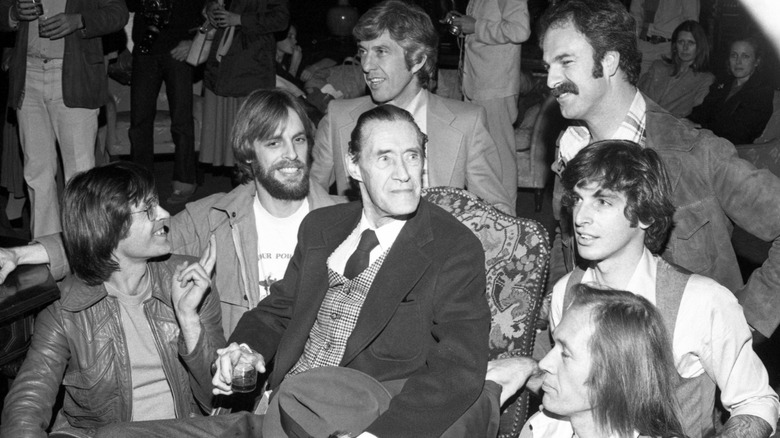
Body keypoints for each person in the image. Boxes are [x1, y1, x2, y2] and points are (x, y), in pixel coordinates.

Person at [212, 104, 492, 437]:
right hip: (274, 410)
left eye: (412, 156)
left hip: (351, 423)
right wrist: (245, 349)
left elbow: (459, 366)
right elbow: (277, 312)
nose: (404, 173)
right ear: (354, 166)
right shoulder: (321, 227)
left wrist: (380, 435)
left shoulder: (453, 247)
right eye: (385, 158)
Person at [0, 89, 345, 337]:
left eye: (299, 140)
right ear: (249, 155)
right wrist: (20, 253)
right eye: (274, 143)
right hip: (244, 386)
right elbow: (114, 234)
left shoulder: (346, 220)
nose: (292, 155)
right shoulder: (215, 218)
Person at [540, 0, 780, 343]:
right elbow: (565, 244)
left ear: (608, 61)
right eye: (549, 65)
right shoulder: (571, 147)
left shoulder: (695, 152)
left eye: (565, 62)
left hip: (680, 375)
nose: (550, 80)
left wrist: (749, 322)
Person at [553, 140, 776, 437]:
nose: (580, 218)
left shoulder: (701, 301)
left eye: (602, 202)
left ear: (645, 214)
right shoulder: (565, 292)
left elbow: (756, 402)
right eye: (578, 200)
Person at [0, 162, 224, 437]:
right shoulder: (66, 310)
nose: (165, 214)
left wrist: (188, 319)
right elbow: (28, 400)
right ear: (109, 227)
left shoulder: (190, 283)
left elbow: (218, 399)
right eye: (149, 209)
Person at [310, 0, 514, 215]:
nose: (366, 65)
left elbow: (497, 212)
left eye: (381, 51)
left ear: (417, 60)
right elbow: (310, 197)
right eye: (363, 51)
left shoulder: (466, 123)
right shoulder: (338, 117)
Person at [0, 0, 128, 237]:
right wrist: (12, 14)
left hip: (74, 76)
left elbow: (119, 13)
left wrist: (80, 20)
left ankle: (84, 251)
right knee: (36, 172)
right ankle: (46, 250)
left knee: (80, 175)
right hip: (29, 76)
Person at [490, 284, 686, 438]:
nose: (544, 364)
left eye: (565, 354)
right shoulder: (541, 428)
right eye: (554, 346)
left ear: (613, 376)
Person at [441, 0, 531, 206]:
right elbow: (484, 28)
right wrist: (464, 25)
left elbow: (520, 30)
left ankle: (507, 219)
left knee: (501, 157)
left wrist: (476, 26)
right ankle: (485, 215)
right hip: (477, 83)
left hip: (496, 86)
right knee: (481, 157)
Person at [127, 0, 205, 204]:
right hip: (146, 47)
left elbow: (207, 9)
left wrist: (193, 40)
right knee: (139, 121)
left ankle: (185, 180)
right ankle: (141, 184)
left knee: (182, 120)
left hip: (178, 49)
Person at [197, 0, 288, 170]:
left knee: (253, 135)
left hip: (252, 67)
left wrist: (239, 19)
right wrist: (210, 8)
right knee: (232, 139)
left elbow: (281, 19)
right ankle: (242, 185)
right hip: (223, 66)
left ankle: (255, 185)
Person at [689, 35, 775, 145]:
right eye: (734, 55)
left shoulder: (761, 91)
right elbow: (704, 110)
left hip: (731, 149)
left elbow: (740, 132)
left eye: (745, 56)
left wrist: (701, 128)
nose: (738, 62)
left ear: (756, 61)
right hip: (704, 140)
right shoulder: (724, 82)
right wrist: (687, 121)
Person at [637, 20, 714, 118]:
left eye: (691, 43)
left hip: (674, 129)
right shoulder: (658, 67)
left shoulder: (705, 79)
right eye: (681, 42)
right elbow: (638, 97)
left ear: (700, 47)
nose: (685, 48)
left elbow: (696, 116)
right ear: (675, 45)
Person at [630, 0, 699, 75]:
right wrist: (634, 43)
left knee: (665, 84)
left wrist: (682, 49)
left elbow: (691, 22)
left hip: (669, 48)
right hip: (644, 46)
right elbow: (635, 16)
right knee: (640, 84)